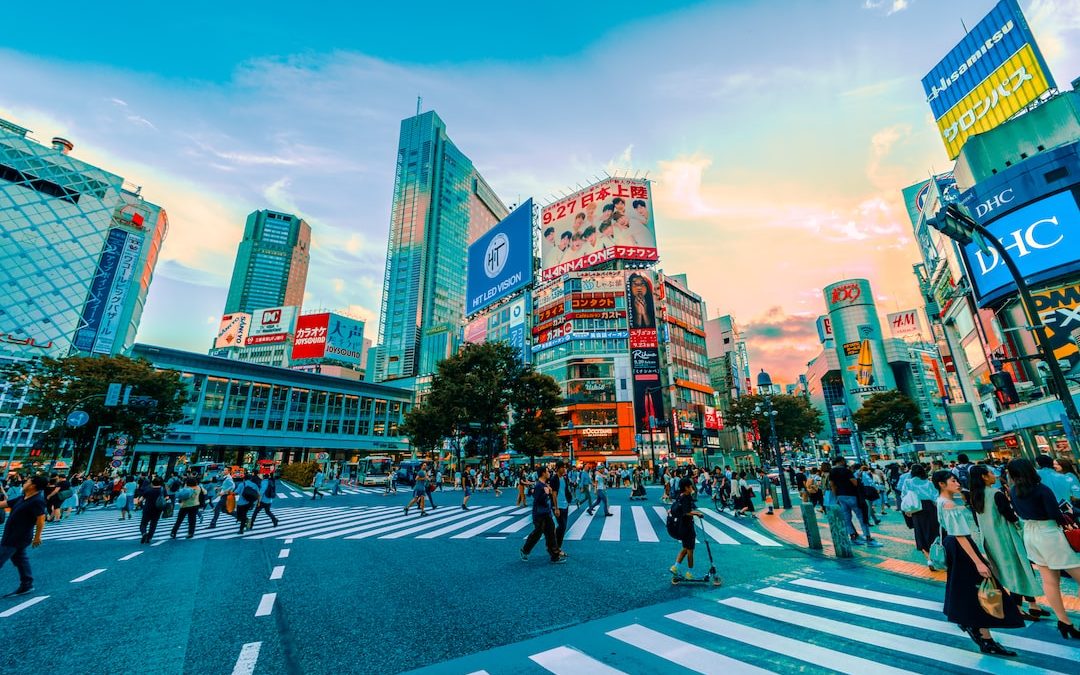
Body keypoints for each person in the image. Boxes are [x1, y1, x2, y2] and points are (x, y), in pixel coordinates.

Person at [933, 469, 1022, 656]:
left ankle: (978, 630)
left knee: (969, 589)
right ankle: (984, 636)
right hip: (962, 546)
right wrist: (978, 562)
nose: (957, 483)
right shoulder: (948, 504)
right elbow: (960, 535)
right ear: (942, 484)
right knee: (981, 587)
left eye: (957, 480)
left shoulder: (942, 501)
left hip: (955, 547)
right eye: (952, 480)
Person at [1006, 458, 1080, 639]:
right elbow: (1055, 515)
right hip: (1049, 534)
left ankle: (1064, 621)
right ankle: (1065, 623)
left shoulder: (1014, 491)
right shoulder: (1041, 490)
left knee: (1049, 580)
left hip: (1030, 533)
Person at [968, 465, 1046, 621]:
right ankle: (1017, 608)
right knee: (1018, 570)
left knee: (1015, 570)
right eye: (990, 473)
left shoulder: (975, 496)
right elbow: (1010, 516)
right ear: (984, 476)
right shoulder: (996, 494)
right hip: (1006, 537)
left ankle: (1033, 606)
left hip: (990, 541)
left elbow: (977, 521)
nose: (994, 475)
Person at [0, 475, 48, 596]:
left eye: (27, 481)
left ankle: (27, 584)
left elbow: (41, 519)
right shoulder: (23, 498)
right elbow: (4, 503)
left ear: (33, 485)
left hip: (17, 537)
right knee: (20, 559)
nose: (24, 483)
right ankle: (27, 584)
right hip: (11, 534)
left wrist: (37, 537)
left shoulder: (37, 500)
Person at [829, 458, 882, 547]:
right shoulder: (846, 471)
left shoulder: (832, 472)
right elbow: (854, 483)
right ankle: (868, 538)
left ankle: (853, 537)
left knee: (847, 518)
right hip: (852, 495)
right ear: (841, 462)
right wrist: (858, 479)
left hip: (840, 496)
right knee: (861, 517)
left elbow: (832, 485)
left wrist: (836, 497)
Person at [518, 466, 564, 564]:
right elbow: (538, 499)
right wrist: (546, 494)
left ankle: (555, 556)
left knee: (551, 533)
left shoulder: (544, 484)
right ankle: (525, 550)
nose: (549, 473)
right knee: (537, 534)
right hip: (539, 514)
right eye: (547, 471)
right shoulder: (539, 485)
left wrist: (549, 492)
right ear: (543, 473)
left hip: (546, 513)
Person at [901, 464, 940, 569]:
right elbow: (935, 496)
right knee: (933, 532)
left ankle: (929, 560)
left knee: (920, 533)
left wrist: (907, 510)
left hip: (916, 509)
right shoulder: (929, 483)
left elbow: (904, 495)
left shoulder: (908, 482)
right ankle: (937, 555)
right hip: (930, 508)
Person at [669, 477, 704, 580]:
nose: (692, 488)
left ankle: (675, 567)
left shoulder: (680, 496)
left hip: (681, 526)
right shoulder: (686, 497)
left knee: (685, 548)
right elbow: (686, 512)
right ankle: (690, 573)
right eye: (690, 486)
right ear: (686, 487)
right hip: (687, 527)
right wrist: (697, 513)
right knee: (690, 550)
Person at [138, 477, 166, 544]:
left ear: (152, 483)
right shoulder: (162, 490)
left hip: (147, 508)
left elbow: (140, 500)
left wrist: (139, 504)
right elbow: (167, 498)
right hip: (157, 509)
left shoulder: (148, 490)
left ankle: (144, 533)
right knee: (153, 524)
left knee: (143, 523)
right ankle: (149, 538)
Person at [551, 462, 571, 557]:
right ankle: (556, 548)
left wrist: (568, 500)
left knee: (563, 527)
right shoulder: (554, 479)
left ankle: (555, 546)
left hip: (565, 505)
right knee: (562, 527)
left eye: (565, 467)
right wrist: (556, 508)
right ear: (558, 468)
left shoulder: (564, 478)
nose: (564, 469)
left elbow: (566, 490)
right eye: (563, 467)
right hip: (558, 507)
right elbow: (554, 494)